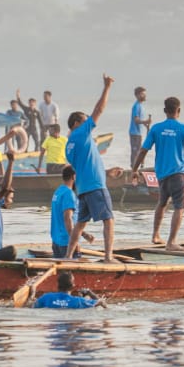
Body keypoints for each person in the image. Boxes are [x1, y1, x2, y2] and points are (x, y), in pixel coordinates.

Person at [131, 96, 184, 251]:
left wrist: (135, 169)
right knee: (179, 207)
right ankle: (171, 242)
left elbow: (143, 150)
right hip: (178, 174)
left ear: (165, 110)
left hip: (161, 174)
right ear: (179, 110)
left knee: (162, 203)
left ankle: (155, 235)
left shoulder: (156, 128)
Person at [65, 75, 117, 262]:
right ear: (76, 124)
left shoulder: (68, 144)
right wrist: (107, 87)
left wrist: (107, 172)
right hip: (95, 186)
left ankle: (68, 256)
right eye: (85, 120)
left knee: (80, 224)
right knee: (108, 220)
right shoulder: (81, 133)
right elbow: (99, 109)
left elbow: (85, 165)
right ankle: (108, 257)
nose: (89, 124)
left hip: (83, 188)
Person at [50, 165, 93, 259]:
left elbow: (67, 220)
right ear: (74, 177)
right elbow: (68, 219)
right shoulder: (69, 194)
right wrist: (74, 242)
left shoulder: (58, 191)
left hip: (56, 242)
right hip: (67, 243)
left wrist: (84, 234)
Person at [34, 271, 102, 309]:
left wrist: (32, 295)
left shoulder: (46, 297)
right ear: (72, 286)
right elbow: (100, 303)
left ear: (58, 284)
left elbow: (33, 306)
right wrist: (90, 293)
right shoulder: (78, 301)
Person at [129, 86, 152, 168]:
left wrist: (146, 125)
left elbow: (140, 120)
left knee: (140, 150)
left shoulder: (141, 106)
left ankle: (140, 167)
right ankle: (133, 168)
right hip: (134, 133)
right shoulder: (136, 106)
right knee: (135, 152)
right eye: (142, 94)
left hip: (139, 133)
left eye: (145, 94)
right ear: (137, 95)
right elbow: (136, 120)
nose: (144, 96)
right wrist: (145, 121)